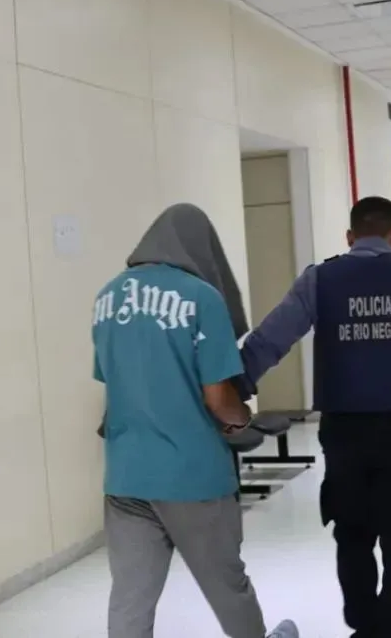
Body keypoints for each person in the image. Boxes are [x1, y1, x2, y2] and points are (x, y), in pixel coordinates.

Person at [238, 196, 391, 638]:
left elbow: (269, 340)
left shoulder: (319, 279)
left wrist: (234, 392)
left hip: (344, 434)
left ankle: (365, 624)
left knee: (352, 532)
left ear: (350, 237)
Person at [92, 203, 298, 638]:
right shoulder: (201, 296)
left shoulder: (107, 297)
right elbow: (218, 398)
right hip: (193, 476)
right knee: (228, 587)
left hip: (126, 475)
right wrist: (242, 420)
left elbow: (112, 378)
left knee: (130, 598)